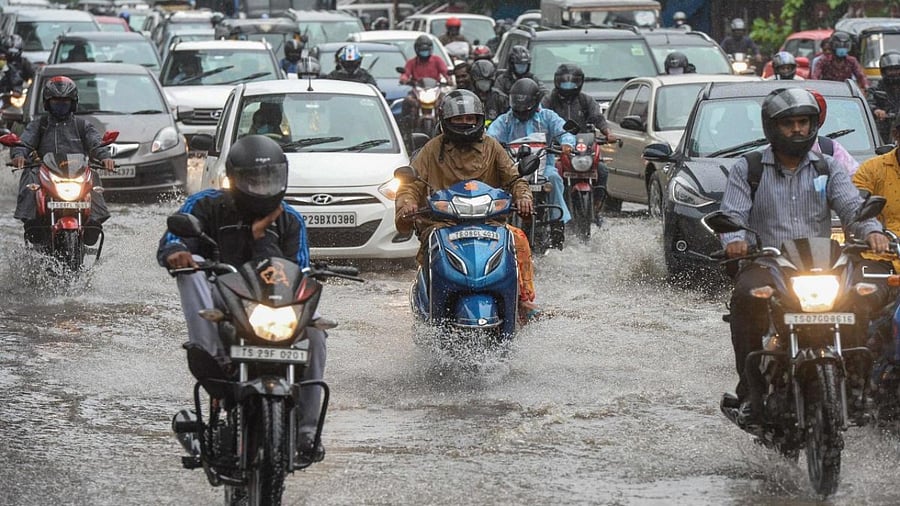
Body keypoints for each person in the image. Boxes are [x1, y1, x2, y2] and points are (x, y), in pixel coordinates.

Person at [718, 87, 889, 422]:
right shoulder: (749, 168)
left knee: (859, 297)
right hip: (768, 264)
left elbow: (853, 208)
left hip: (820, 264)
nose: (797, 129)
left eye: (803, 122)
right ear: (772, 127)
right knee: (745, 299)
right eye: (789, 123)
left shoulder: (828, 167)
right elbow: (733, 216)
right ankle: (751, 392)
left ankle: (856, 388)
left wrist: (873, 233)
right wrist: (735, 240)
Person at [157, 135, 326, 464]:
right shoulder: (206, 204)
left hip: (275, 308)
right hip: (223, 304)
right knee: (190, 274)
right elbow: (173, 238)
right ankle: (214, 356)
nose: (262, 187)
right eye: (253, 180)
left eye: (269, 180)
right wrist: (177, 252)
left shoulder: (291, 220)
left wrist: (260, 240)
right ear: (234, 179)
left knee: (317, 335)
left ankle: (307, 431)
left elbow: (298, 273)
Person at [394, 90, 540, 318]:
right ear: (446, 121)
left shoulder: (492, 147)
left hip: (489, 222)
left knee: (518, 238)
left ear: (478, 119)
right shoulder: (432, 149)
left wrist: (523, 198)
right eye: (458, 119)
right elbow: (409, 186)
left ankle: (521, 300)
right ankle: (432, 307)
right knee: (432, 249)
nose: (464, 123)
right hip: (442, 224)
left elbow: (514, 178)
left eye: (469, 118)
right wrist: (407, 204)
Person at [12, 76, 115, 246]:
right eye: (56, 101)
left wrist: (105, 157)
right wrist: (19, 155)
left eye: (65, 101)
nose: (60, 105)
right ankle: (32, 222)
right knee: (30, 174)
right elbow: (24, 142)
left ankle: (93, 222)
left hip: (76, 174)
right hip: (46, 173)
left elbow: (96, 143)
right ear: (48, 103)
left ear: (73, 102)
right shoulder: (40, 125)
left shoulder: (82, 125)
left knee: (93, 175)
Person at [488, 78, 576, 250]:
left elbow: (564, 130)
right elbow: (490, 136)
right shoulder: (505, 120)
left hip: (544, 170)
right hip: (513, 168)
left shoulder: (547, 117)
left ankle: (557, 227)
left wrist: (567, 144)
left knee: (554, 179)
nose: (521, 112)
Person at [541, 64, 616, 224]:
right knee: (554, 174)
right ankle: (554, 212)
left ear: (580, 83)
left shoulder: (585, 100)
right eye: (564, 82)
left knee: (602, 170)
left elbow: (598, 118)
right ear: (556, 82)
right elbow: (541, 120)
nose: (568, 86)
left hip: (583, 148)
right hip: (557, 150)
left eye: (572, 83)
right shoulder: (549, 100)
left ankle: (596, 206)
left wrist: (608, 133)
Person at [868, 50, 900, 144]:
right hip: (884, 125)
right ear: (883, 71)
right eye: (890, 70)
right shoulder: (877, 86)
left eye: (897, 69)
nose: (894, 73)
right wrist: (876, 110)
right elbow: (869, 102)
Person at [469, 59, 508, 123]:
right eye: (481, 81)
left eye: (487, 81)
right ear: (474, 81)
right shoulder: (468, 98)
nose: (484, 85)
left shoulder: (500, 99)